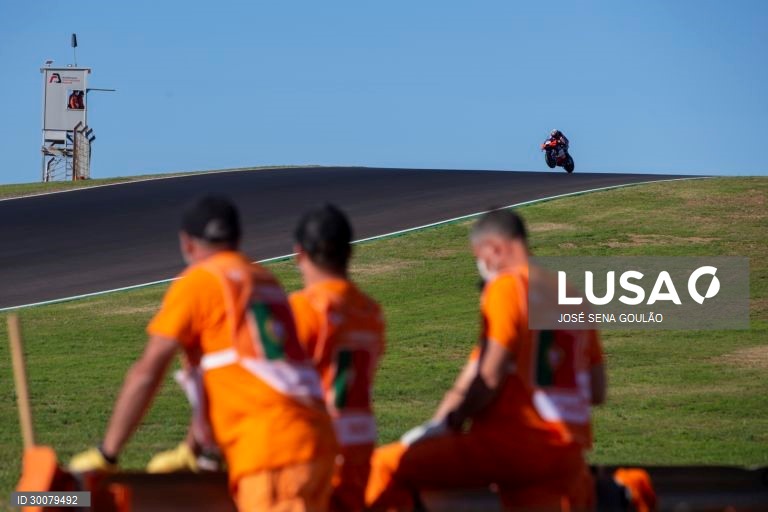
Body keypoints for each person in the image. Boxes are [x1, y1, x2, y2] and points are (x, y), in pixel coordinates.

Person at [69, 196, 338, 512]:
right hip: (316, 443)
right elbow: (235, 371)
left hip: (271, 455)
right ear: (238, 239)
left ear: (187, 243)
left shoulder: (201, 281)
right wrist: (195, 450)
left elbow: (148, 371)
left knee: (44, 498)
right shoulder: (266, 282)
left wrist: (107, 454)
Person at [365, 209, 606, 511]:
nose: (483, 266)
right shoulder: (572, 294)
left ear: (495, 248)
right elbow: (597, 391)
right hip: (567, 456)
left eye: (480, 255)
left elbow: (487, 378)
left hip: (514, 445)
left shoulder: (507, 286)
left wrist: (453, 420)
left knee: (386, 465)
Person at [289, 204, 385, 512]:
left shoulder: (303, 310)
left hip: (313, 453)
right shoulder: (371, 313)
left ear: (299, 254)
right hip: (358, 447)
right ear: (348, 252)